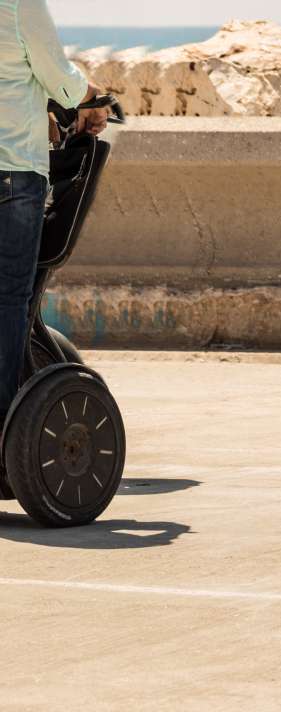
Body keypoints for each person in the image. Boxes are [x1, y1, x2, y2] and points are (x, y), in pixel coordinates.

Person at [1, 0, 107, 416]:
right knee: (8, 298)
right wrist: (93, 98)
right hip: (11, 173)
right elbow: (59, 79)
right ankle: (4, 423)